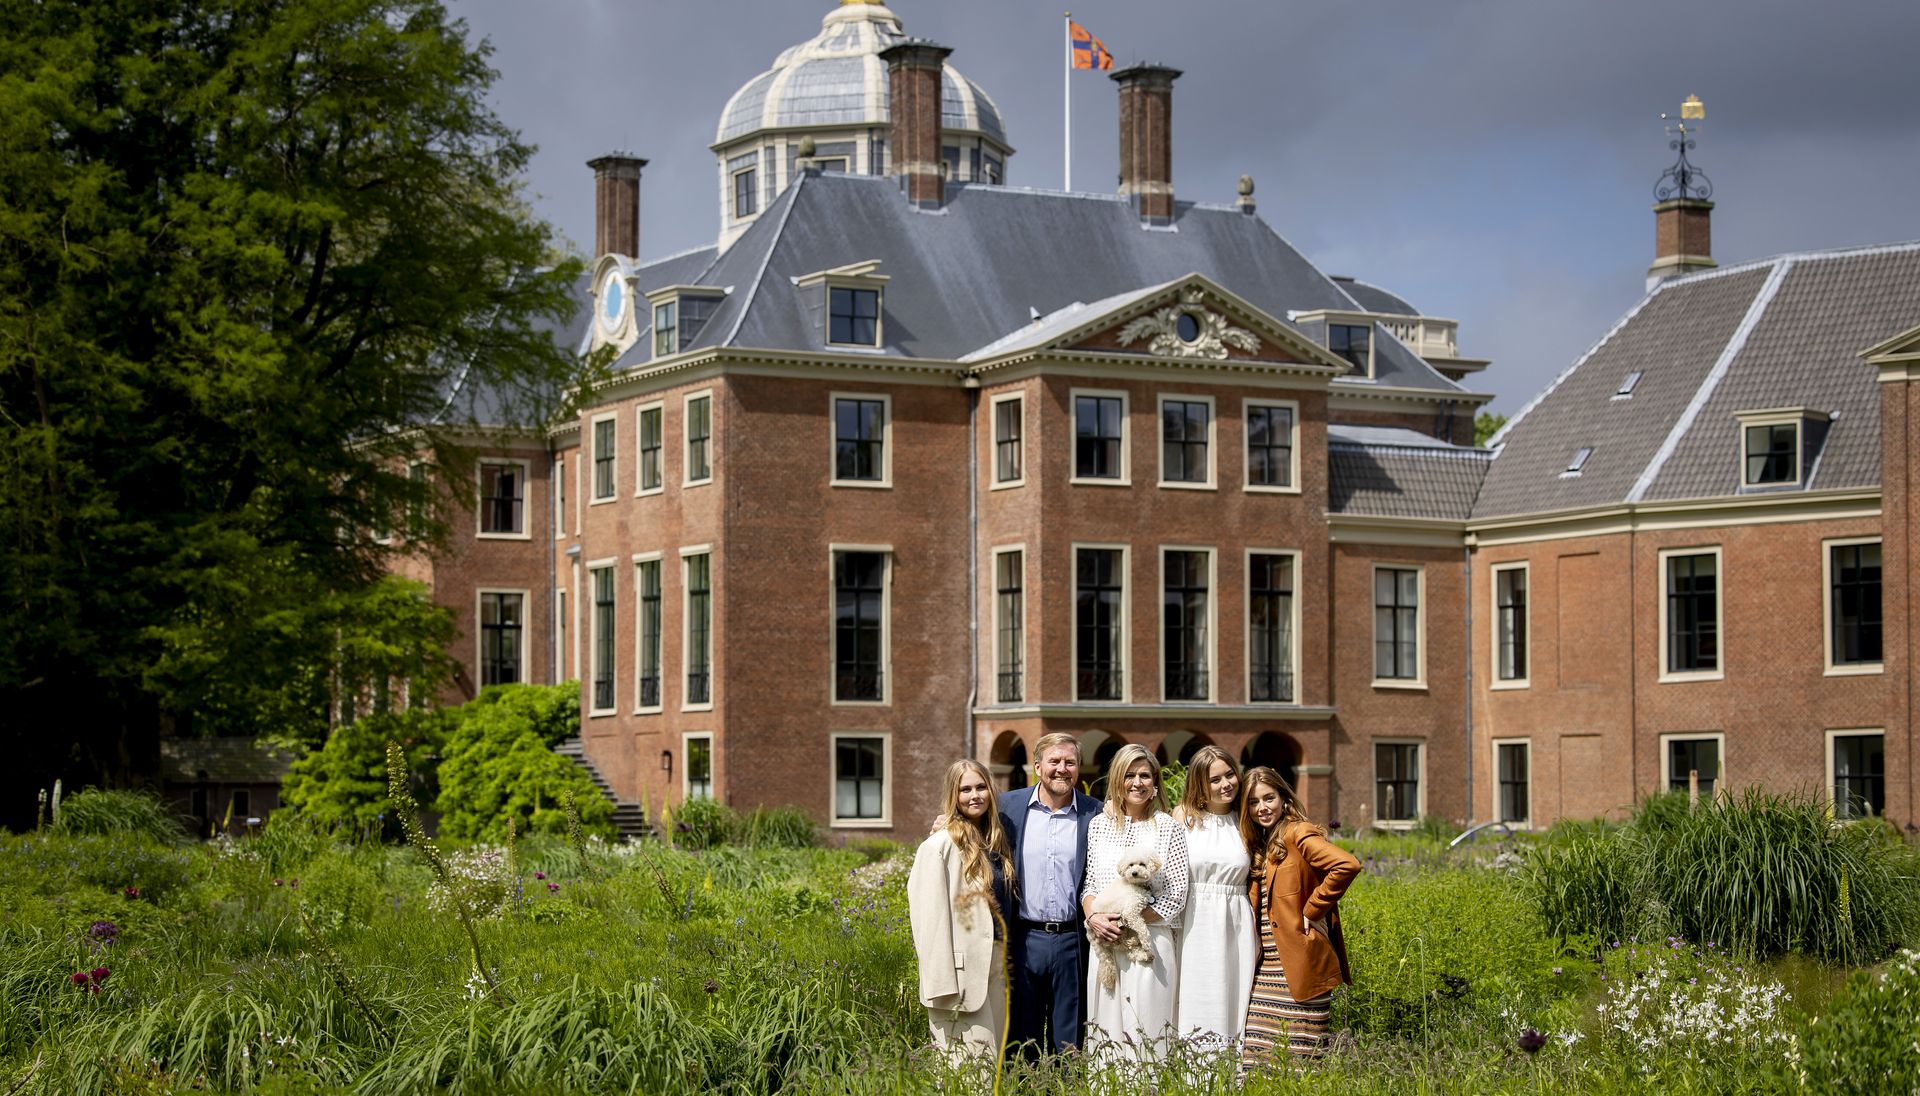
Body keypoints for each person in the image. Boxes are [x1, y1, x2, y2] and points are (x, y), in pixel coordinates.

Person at [1239, 766, 1361, 1066]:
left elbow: (1346, 865)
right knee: (1255, 1059)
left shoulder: (1298, 832)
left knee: (1299, 1063)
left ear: (1283, 797)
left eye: (1269, 798)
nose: (1262, 808)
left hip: (1301, 961)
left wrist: (1313, 908)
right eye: (1253, 802)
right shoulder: (1264, 841)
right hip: (1267, 967)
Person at [1081, 743, 1190, 1063]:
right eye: (1130, 775)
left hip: (1149, 942)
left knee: (1146, 1028)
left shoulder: (1168, 827)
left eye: (1145, 775)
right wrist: (1094, 919)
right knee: (1108, 1032)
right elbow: (1089, 884)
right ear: (1118, 779)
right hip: (1104, 940)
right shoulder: (1099, 826)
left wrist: (1129, 919)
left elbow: (1177, 894)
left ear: (1155, 782)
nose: (1137, 782)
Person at [998, 733, 1102, 1058]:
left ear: (1079, 768)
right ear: (1037, 765)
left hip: (1072, 941)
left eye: (1069, 762)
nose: (1062, 769)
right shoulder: (1008, 807)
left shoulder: (1095, 814)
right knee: (1022, 1038)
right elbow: (969, 821)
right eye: (1054, 761)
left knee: (1069, 1042)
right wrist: (946, 822)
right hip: (1024, 938)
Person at [909, 759, 1017, 1064]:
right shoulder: (939, 846)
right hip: (959, 977)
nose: (975, 795)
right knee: (967, 1074)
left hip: (996, 968)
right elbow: (928, 921)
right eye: (965, 789)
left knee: (992, 1067)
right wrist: (941, 984)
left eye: (981, 787)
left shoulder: (996, 842)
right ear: (953, 796)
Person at [1171, 745, 1256, 1056]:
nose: (1226, 784)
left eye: (1229, 774)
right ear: (1200, 785)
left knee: (1232, 994)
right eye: (1215, 779)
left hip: (1235, 922)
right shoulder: (1184, 817)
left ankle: (1229, 1072)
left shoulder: (1246, 821)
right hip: (1193, 921)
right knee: (1193, 995)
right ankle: (1190, 1072)